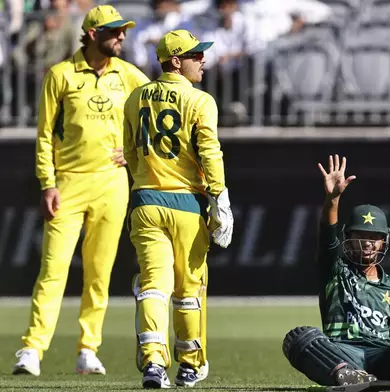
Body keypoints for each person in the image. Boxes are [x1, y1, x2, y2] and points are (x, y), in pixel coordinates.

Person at [13, 5, 150, 377]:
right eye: (114, 32)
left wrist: (136, 148)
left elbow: (158, 108)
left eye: (123, 31)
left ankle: (88, 349)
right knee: (53, 270)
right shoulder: (60, 75)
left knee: (99, 273)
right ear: (92, 34)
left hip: (112, 183)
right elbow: (43, 135)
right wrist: (47, 183)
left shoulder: (129, 75)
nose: (121, 37)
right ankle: (32, 349)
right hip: (69, 183)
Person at [282, 155, 390, 391]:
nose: (368, 244)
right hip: (342, 354)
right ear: (348, 239)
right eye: (361, 237)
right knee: (299, 336)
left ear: (383, 242)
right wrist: (332, 200)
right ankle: (353, 379)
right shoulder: (335, 271)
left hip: (383, 358)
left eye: (374, 238)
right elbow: (327, 237)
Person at [122, 29, 233, 389]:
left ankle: (154, 363)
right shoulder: (200, 101)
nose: (202, 60)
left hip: (145, 201)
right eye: (195, 55)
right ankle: (189, 364)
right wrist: (220, 199)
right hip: (187, 203)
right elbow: (210, 153)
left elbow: (131, 153)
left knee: (154, 286)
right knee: (189, 289)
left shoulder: (135, 97)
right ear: (175, 61)